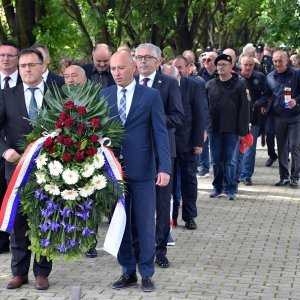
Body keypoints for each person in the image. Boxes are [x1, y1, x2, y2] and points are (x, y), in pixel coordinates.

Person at [100, 50, 171, 292]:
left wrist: (164, 167)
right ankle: (127, 271)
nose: (116, 73)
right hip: (114, 173)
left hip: (143, 171)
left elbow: (160, 134)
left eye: (120, 68)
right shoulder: (105, 95)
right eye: (112, 69)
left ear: (133, 68)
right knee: (119, 223)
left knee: (144, 224)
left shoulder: (150, 96)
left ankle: (147, 273)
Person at [0, 47, 52, 290]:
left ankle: (42, 272)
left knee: (46, 219)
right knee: (19, 222)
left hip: (51, 170)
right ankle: (19, 272)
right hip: (17, 168)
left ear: (43, 66)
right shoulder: (6, 95)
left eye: (32, 65)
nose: (27, 70)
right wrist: (4, 150)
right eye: (23, 66)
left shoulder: (57, 92)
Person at [135, 43, 184, 268]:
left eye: (147, 58)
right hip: (136, 153)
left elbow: (177, 117)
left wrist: (153, 120)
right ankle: (136, 248)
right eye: (139, 57)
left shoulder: (169, 83)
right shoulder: (129, 83)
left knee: (162, 204)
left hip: (163, 153)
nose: (143, 61)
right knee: (136, 204)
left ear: (158, 61)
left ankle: (160, 250)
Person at [206, 54, 249, 200]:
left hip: (232, 130)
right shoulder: (210, 85)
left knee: (230, 160)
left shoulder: (239, 84)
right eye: (218, 65)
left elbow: (244, 108)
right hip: (214, 129)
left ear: (231, 67)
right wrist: (205, 127)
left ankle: (231, 188)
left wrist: (243, 131)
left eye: (224, 65)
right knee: (217, 160)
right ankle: (217, 187)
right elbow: (205, 108)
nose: (221, 67)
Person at [265, 50, 300, 188]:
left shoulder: (297, 74)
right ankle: (284, 177)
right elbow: (267, 95)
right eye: (275, 61)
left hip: (295, 116)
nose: (277, 63)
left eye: (280, 60)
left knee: (294, 146)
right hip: (278, 116)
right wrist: (261, 105)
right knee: (282, 148)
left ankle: (295, 177)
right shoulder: (270, 77)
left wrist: (296, 101)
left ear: (287, 61)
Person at [0, 41, 22, 255]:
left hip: (21, 159)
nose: (5, 59)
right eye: (2, 55)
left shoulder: (32, 86)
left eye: (10, 55)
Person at [238, 55, 267, 185]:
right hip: (237, 120)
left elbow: (267, 95)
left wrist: (256, 104)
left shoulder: (260, 77)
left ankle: (246, 175)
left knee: (250, 148)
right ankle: (236, 174)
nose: (248, 67)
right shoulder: (235, 79)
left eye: (251, 65)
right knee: (236, 148)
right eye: (246, 65)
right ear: (240, 65)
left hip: (253, 119)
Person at [198, 51, 218, 178]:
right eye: (204, 60)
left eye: (209, 60)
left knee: (215, 142)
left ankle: (216, 167)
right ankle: (204, 167)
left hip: (217, 113)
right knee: (203, 141)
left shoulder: (221, 74)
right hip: (204, 112)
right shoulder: (199, 75)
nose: (206, 62)